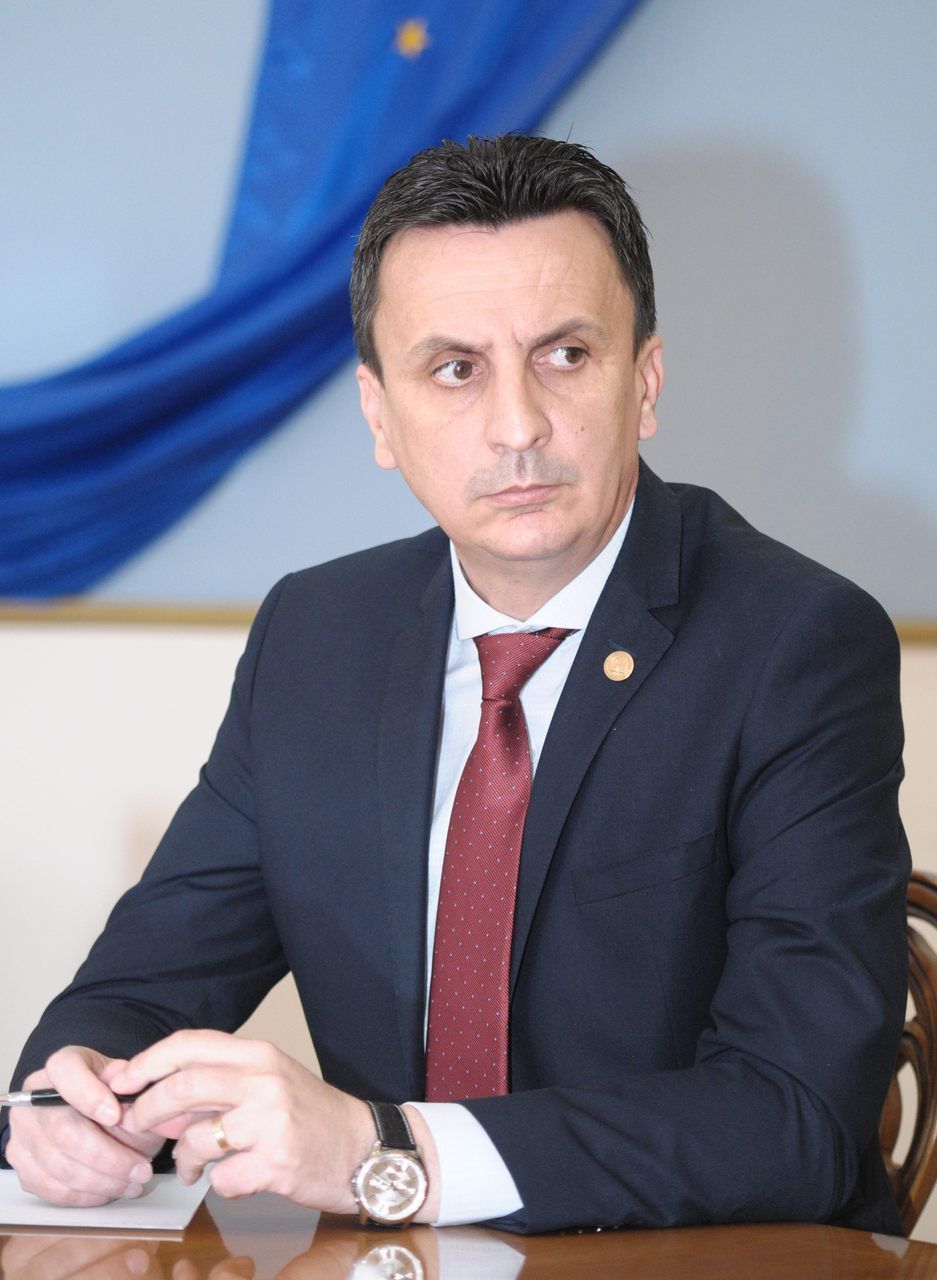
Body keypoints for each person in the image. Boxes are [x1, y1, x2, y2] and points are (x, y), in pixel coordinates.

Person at [2, 135, 910, 1236]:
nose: (516, 426)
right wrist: (68, 1104)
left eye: (565, 354)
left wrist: (386, 1153)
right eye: (454, 368)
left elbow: (796, 1114)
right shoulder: (316, 636)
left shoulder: (795, 643)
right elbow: (141, 989)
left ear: (644, 381)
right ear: (380, 416)